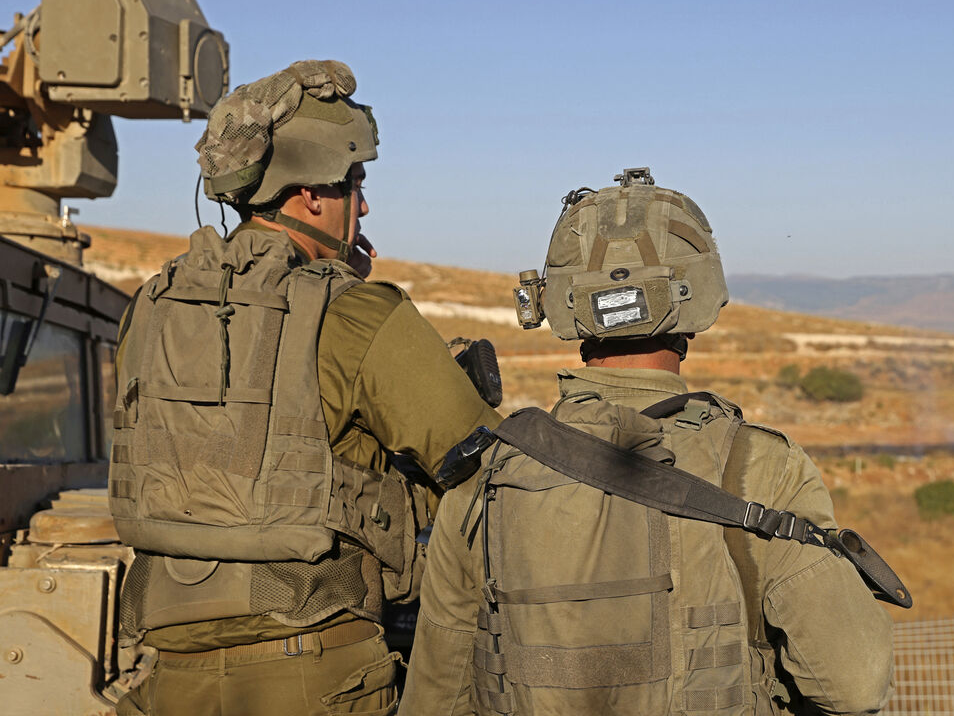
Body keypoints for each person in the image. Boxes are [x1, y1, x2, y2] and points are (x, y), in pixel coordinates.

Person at [401, 167, 898, 715]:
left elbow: (435, 698)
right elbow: (855, 683)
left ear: (558, 304)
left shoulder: (485, 476)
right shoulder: (759, 466)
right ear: (699, 297)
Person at [109, 60, 500, 716]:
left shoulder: (148, 309)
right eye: (355, 181)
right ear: (311, 193)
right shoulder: (353, 312)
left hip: (170, 676)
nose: (365, 204)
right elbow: (483, 465)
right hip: (316, 669)